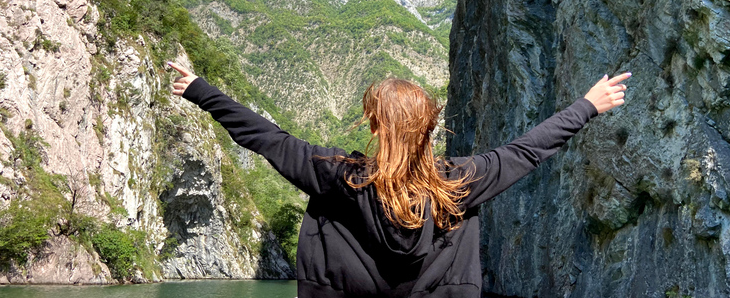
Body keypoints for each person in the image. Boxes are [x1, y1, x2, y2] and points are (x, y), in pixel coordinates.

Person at [169, 61, 629, 298]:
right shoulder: (459, 183)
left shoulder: (338, 177)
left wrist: (200, 90)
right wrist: (586, 104)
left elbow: (266, 137)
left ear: (373, 126)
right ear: (430, 128)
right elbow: (526, 151)